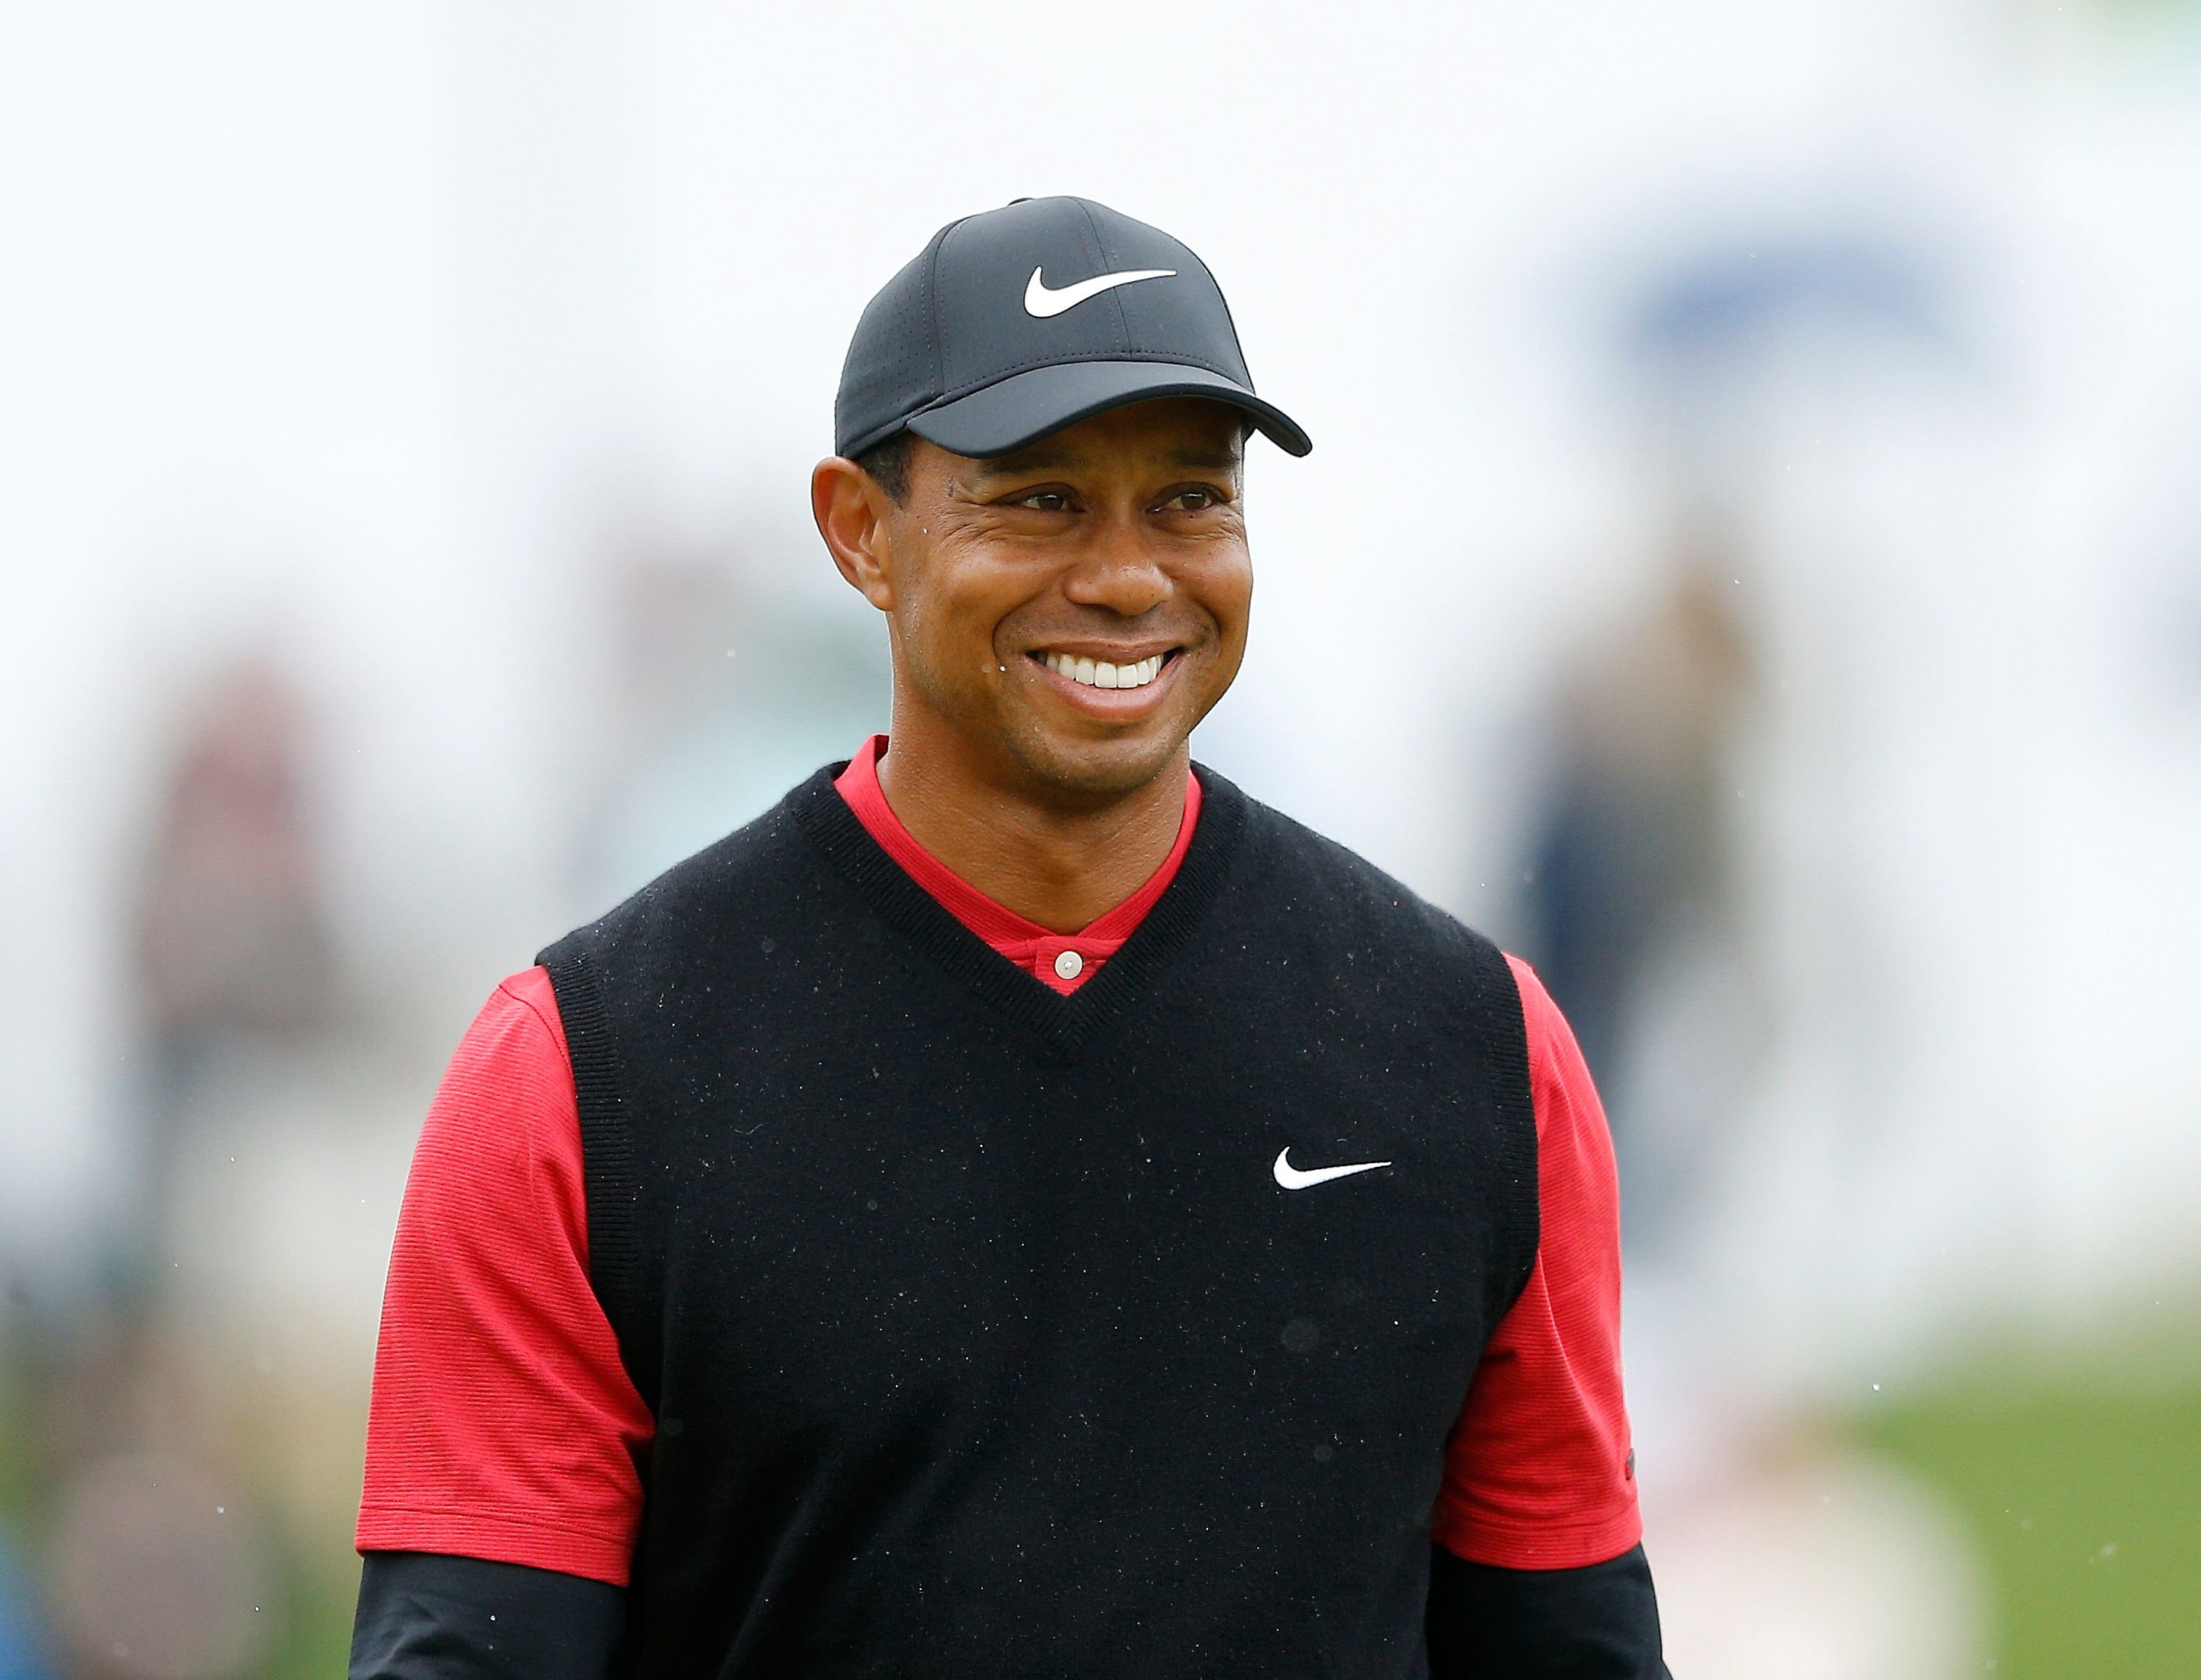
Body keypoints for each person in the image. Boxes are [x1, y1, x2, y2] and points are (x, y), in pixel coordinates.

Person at [349, 195, 1666, 1678]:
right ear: (863, 530)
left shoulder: (1471, 1052)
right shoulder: (589, 1075)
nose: (1125, 574)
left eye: (1189, 498)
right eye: (1039, 498)